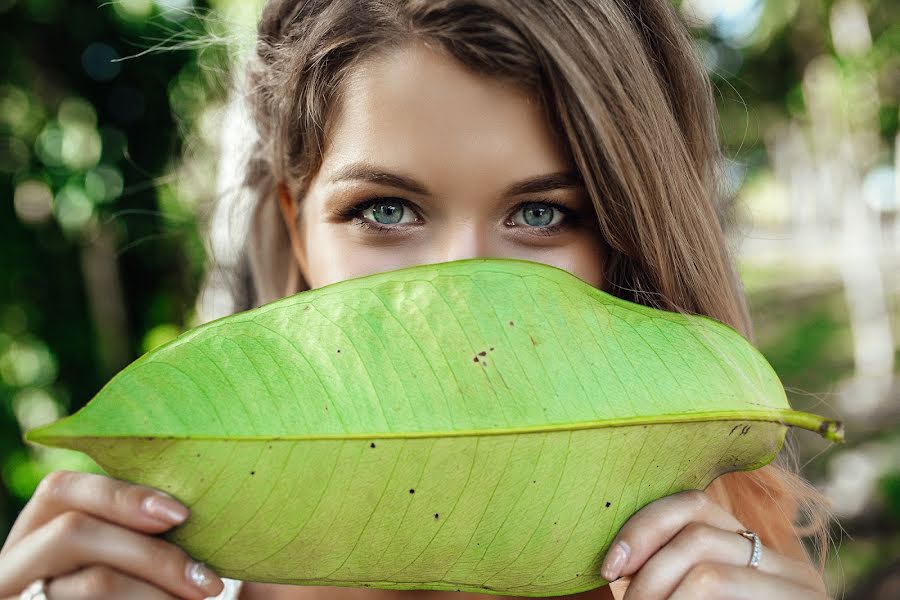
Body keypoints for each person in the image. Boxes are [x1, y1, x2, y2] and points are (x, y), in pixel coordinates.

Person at [0, 1, 836, 599]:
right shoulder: (149, 578)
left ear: (631, 234)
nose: (459, 295)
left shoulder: (720, 574)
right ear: (299, 227)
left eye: (542, 213)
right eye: (386, 211)